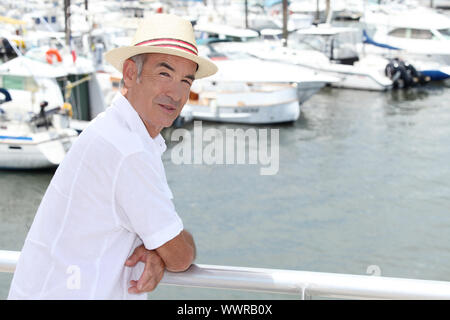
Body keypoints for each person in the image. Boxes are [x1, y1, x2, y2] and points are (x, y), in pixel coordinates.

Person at [8, 13, 218, 300]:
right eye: (164, 74)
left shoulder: (113, 132)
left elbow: (154, 238)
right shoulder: (126, 150)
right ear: (131, 73)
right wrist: (166, 249)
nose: (176, 92)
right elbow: (180, 256)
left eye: (186, 81)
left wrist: (156, 248)